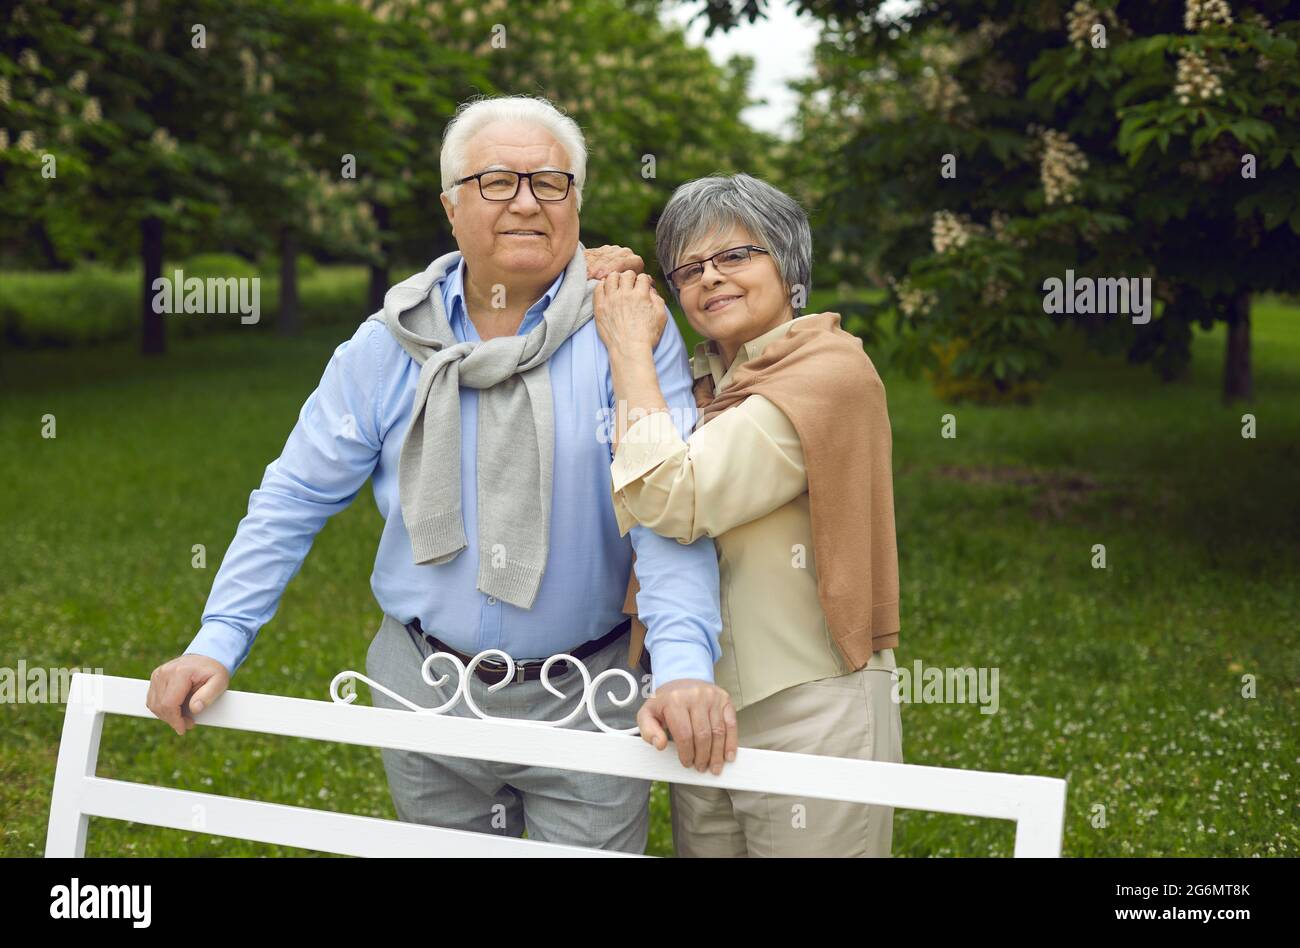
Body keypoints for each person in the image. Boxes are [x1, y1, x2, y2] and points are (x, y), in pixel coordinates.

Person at [146, 94, 737, 854]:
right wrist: (218, 638)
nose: (526, 202)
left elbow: (665, 512)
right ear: (451, 208)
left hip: (591, 692)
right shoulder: (388, 345)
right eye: (495, 181)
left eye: (550, 182)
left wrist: (685, 665)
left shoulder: (629, 331)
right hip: (422, 686)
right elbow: (293, 497)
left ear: (577, 204)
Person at [593, 172, 904, 857]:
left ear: (789, 264)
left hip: (810, 706)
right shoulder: (707, 379)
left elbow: (674, 498)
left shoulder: (825, 373)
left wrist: (627, 350)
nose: (711, 279)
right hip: (700, 702)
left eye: (736, 256)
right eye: (690, 268)